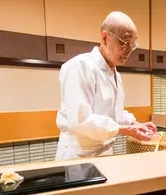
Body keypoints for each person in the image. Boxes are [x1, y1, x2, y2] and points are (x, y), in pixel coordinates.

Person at [55, 11, 157, 161]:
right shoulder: (80, 66)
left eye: (133, 44)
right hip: (78, 155)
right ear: (105, 37)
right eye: (125, 41)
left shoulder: (115, 73)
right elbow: (81, 121)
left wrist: (136, 124)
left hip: (104, 153)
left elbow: (115, 113)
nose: (129, 50)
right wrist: (127, 130)